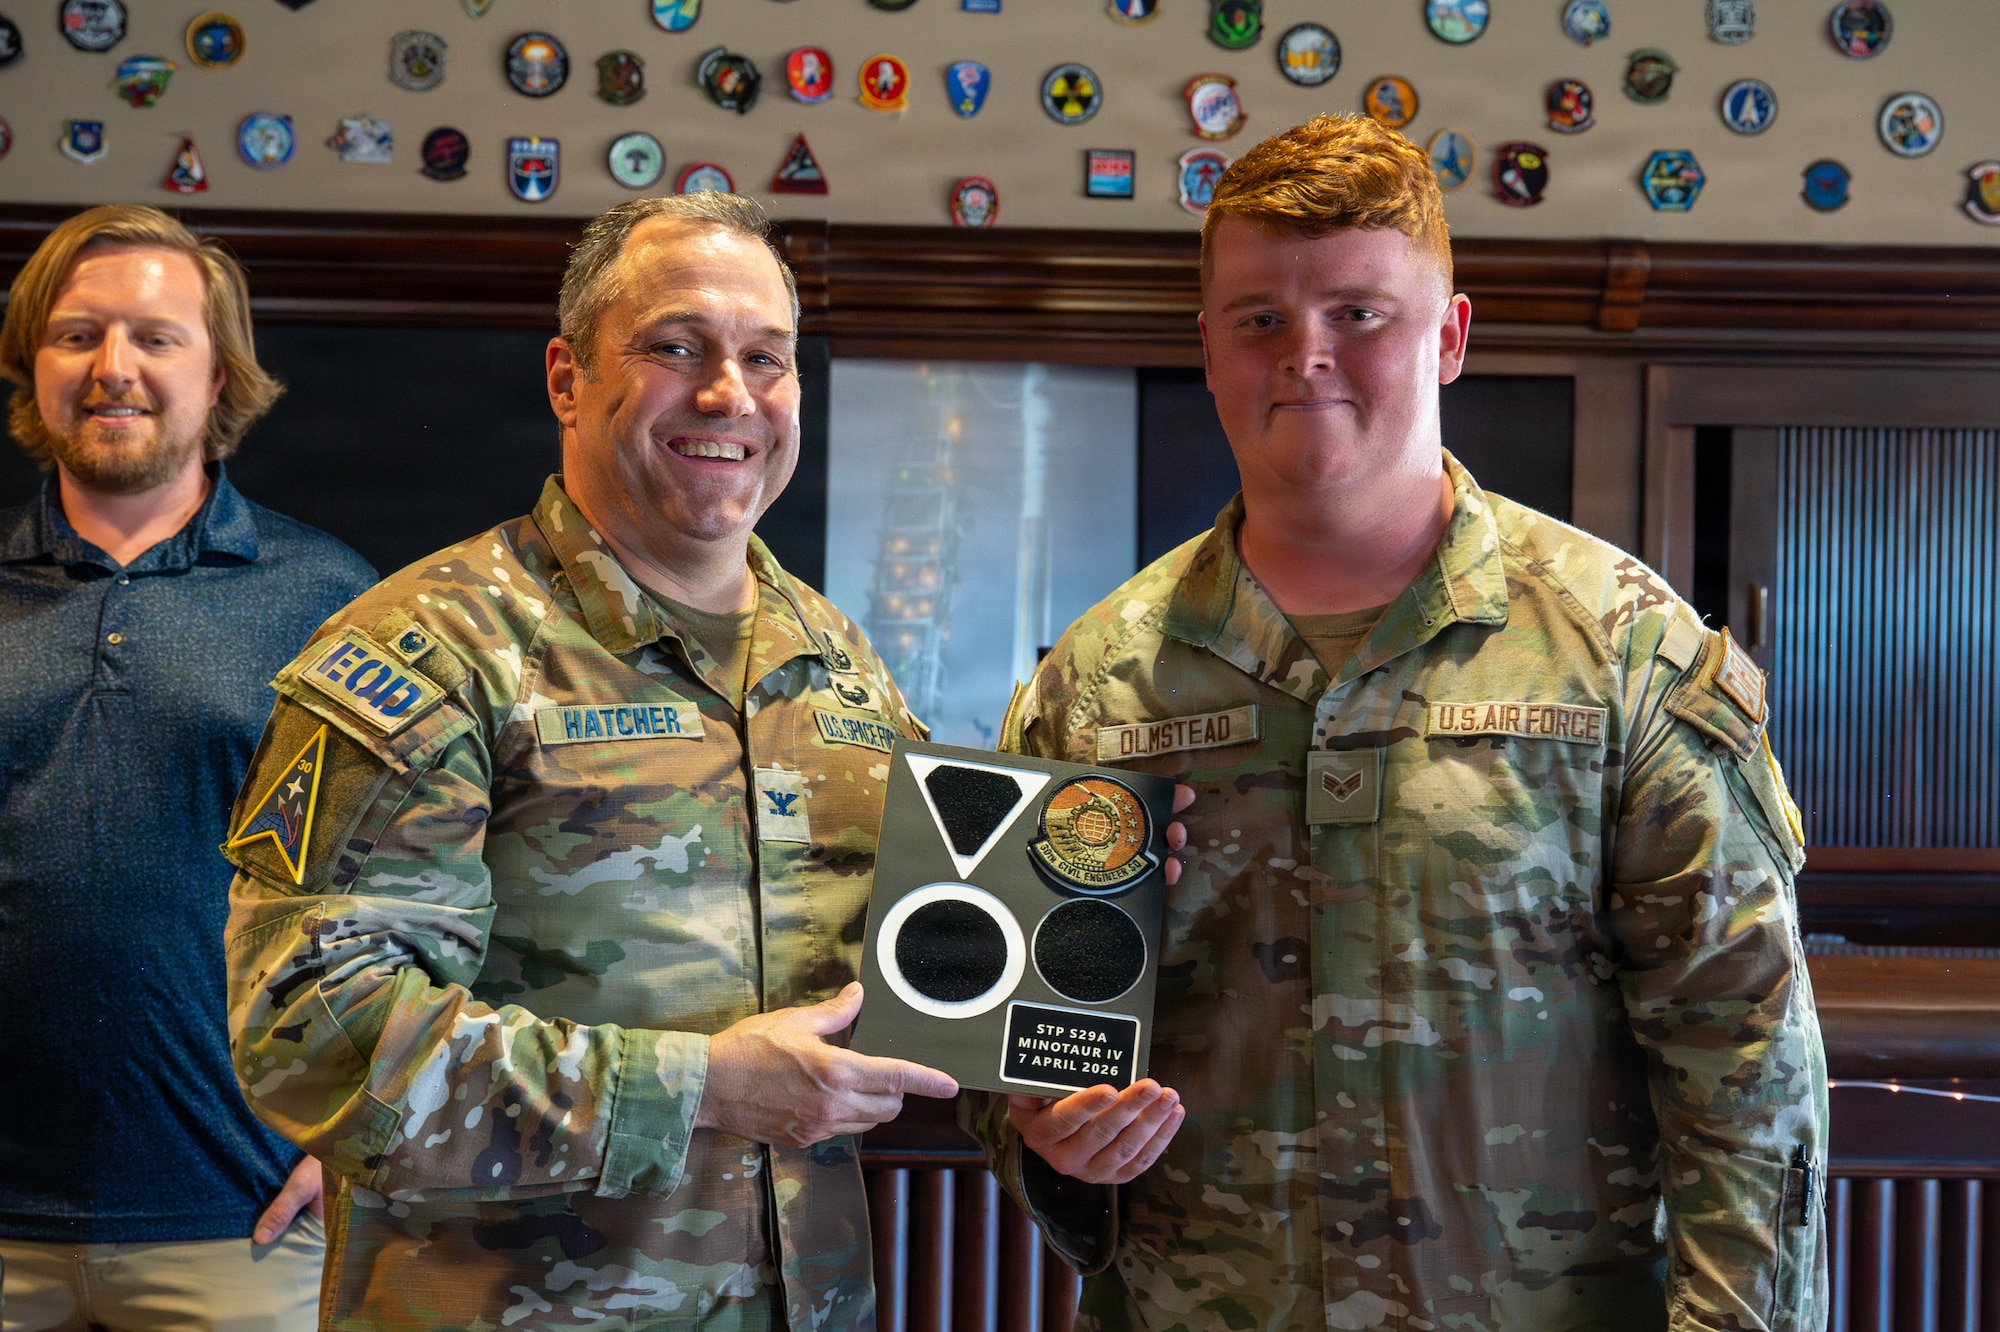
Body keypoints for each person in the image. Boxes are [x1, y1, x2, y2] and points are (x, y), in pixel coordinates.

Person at [963, 115, 1829, 1331]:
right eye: (1259, 317)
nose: (1303, 354)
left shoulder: (1617, 644)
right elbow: (1007, 1047)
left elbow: (1744, 1064)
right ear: (1208, 347)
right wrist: (1044, 1130)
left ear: (1449, 337)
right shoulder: (1096, 683)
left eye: (1357, 313)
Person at [220, 194, 961, 1331]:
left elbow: (921, 976)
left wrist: (1092, 889)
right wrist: (698, 1087)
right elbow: (310, 1036)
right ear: (566, 378)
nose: (729, 394)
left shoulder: (837, 663)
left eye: (767, 357)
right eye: (675, 347)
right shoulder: (426, 650)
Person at [0, 205, 374, 1328]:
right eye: (78, 336)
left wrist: (366, 1129)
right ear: (35, 369)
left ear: (220, 380)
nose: (114, 367)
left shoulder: (332, 601)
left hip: (242, 1218)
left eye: (156, 338)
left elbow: (422, 878)